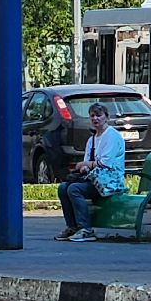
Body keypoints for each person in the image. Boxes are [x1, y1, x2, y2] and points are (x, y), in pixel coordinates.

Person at [55, 101, 126, 242]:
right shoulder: (91, 140)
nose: (95, 119)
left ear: (106, 117)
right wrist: (85, 167)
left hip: (110, 181)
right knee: (63, 188)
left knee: (75, 189)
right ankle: (72, 227)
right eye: (92, 116)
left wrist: (86, 164)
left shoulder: (112, 136)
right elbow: (87, 162)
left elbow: (105, 163)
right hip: (94, 179)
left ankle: (86, 229)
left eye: (99, 115)